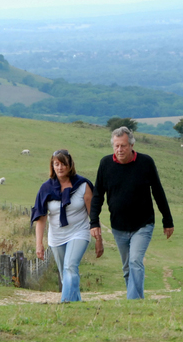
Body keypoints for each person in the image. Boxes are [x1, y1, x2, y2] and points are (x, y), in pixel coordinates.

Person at [89, 126, 174, 300]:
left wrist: (168, 220)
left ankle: (133, 300)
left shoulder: (146, 163)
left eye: (123, 146)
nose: (120, 150)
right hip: (119, 226)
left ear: (132, 145)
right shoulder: (105, 164)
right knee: (127, 267)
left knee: (135, 260)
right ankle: (135, 303)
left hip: (143, 224)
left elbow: (158, 191)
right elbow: (98, 195)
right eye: (117, 146)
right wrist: (94, 222)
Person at [31, 149, 103, 302]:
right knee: (65, 274)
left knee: (70, 266)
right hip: (56, 236)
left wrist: (99, 239)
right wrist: (39, 244)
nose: (60, 167)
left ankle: (66, 302)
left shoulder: (83, 185)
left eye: (63, 164)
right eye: (56, 164)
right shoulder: (46, 189)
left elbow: (93, 215)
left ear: (70, 165)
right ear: (52, 166)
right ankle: (75, 304)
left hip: (79, 232)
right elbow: (41, 219)